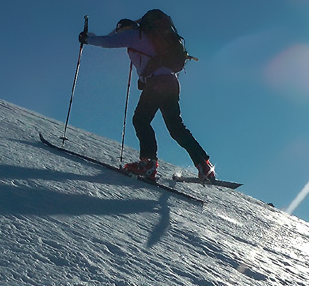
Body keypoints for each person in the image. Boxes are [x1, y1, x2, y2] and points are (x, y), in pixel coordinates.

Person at [79, 10, 215, 182]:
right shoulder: (147, 37)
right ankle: (204, 164)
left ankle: (148, 164)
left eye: (120, 30)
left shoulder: (134, 35)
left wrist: (88, 39)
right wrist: (144, 78)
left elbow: (109, 41)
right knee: (176, 128)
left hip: (159, 82)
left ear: (124, 29)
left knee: (141, 120)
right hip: (171, 82)